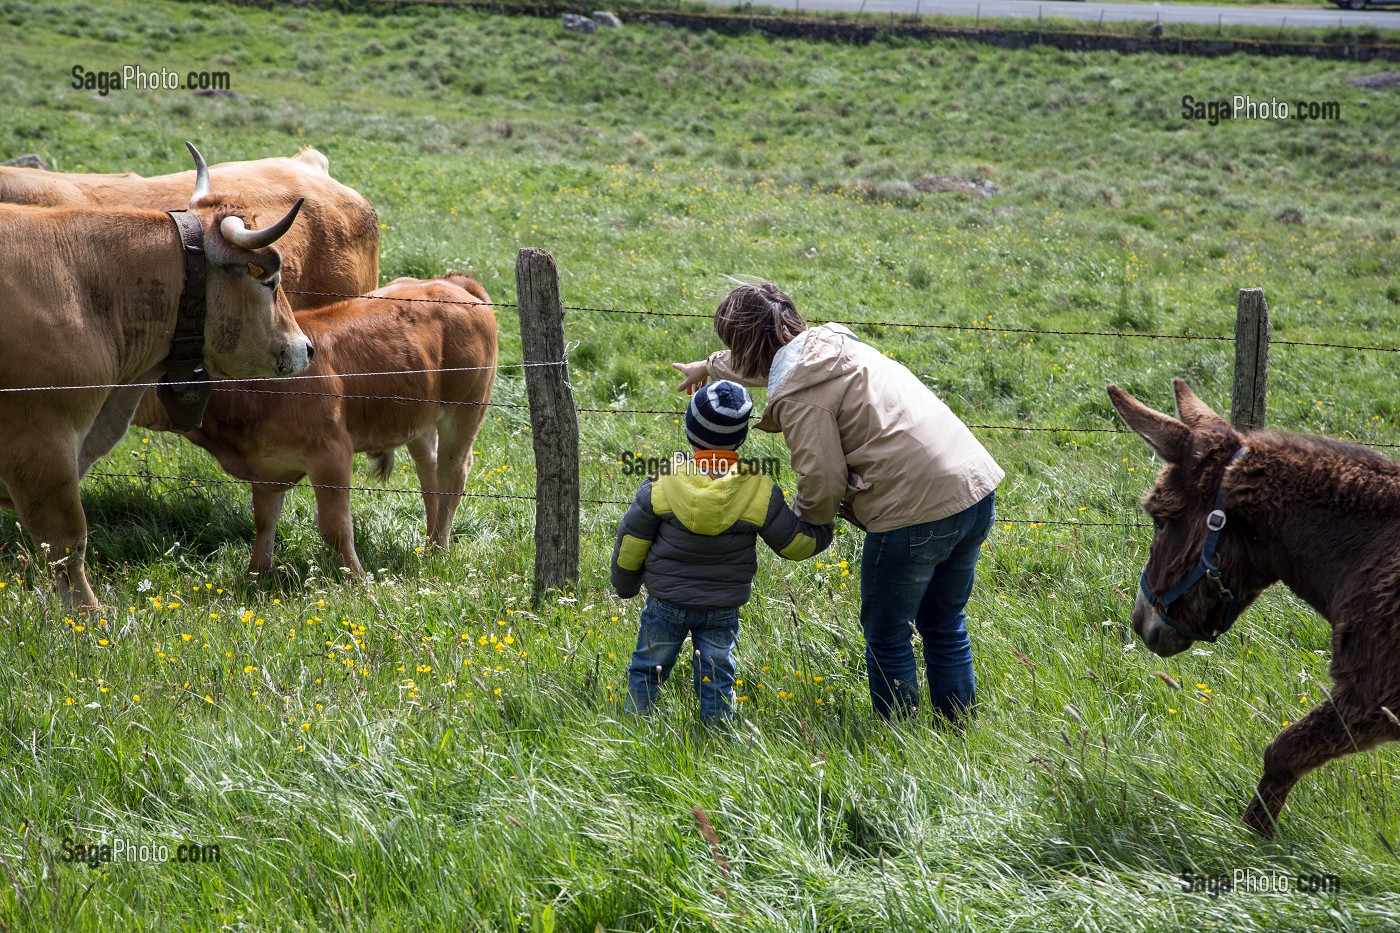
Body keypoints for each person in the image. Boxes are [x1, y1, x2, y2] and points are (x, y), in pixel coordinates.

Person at [673, 281, 1002, 722]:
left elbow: (822, 477)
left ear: (745, 343)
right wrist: (710, 366)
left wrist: (808, 528)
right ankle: (957, 729)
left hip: (912, 510)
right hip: (974, 486)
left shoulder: (802, 395)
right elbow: (770, 366)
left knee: (887, 633)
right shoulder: (833, 345)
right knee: (944, 623)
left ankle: (899, 736)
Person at [611, 379, 834, 721]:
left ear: (690, 431)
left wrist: (626, 586)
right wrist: (824, 525)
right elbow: (793, 544)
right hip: (722, 607)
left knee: (646, 669)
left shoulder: (664, 480)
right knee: (717, 676)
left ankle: (634, 728)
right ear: (742, 437)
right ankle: (716, 736)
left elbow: (632, 539)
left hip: (667, 601)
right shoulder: (759, 489)